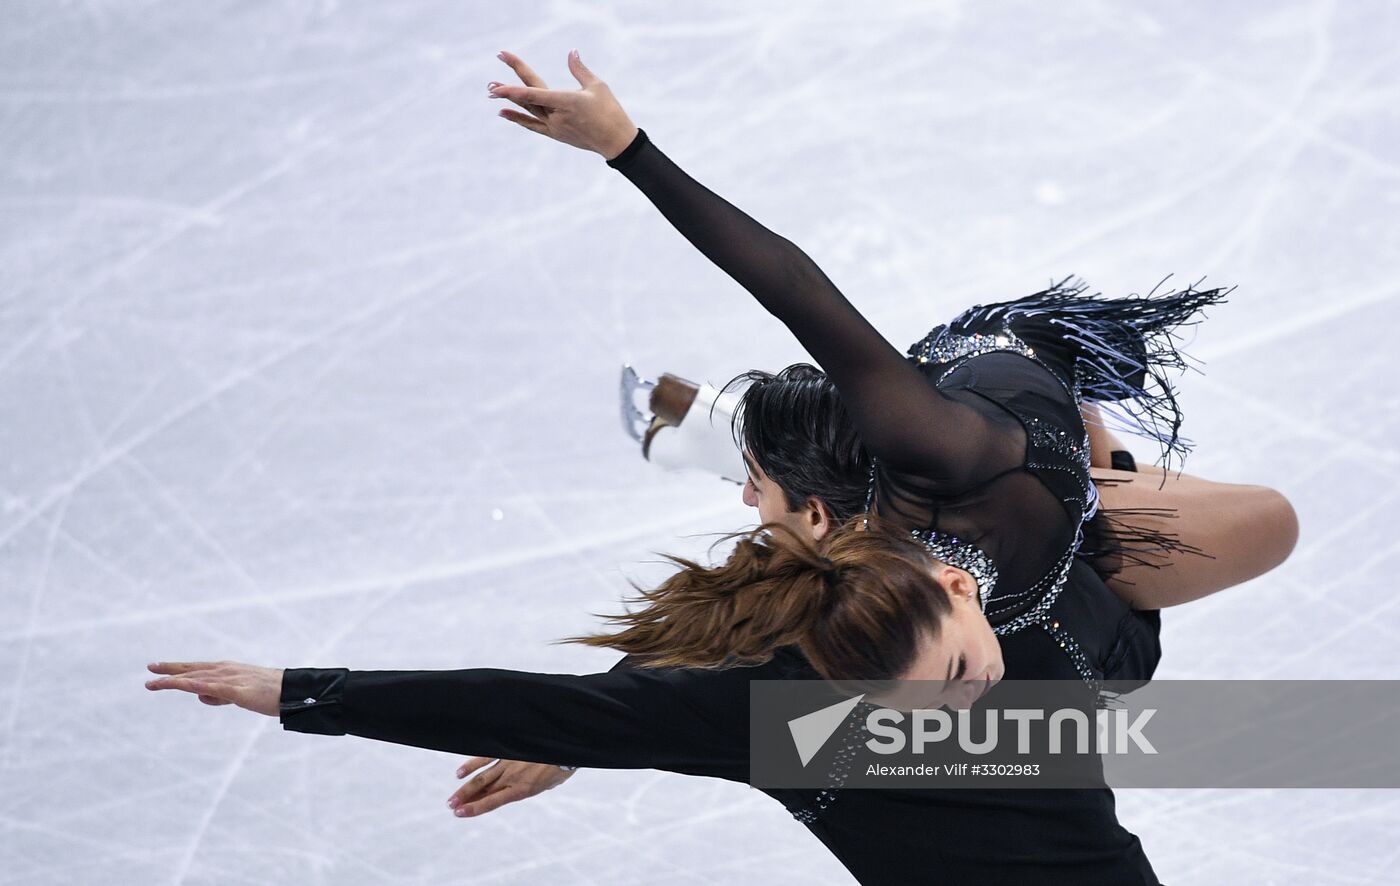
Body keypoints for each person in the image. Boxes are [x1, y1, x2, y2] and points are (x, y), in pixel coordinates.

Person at [145, 50, 1299, 884]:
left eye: (940, 690)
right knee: (1074, 657)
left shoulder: (956, 460)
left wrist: (627, 150)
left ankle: (714, 419)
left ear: (946, 589)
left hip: (1009, 391)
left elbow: (798, 290)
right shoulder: (837, 652)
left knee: (1254, 525)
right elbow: (633, 694)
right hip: (978, 579)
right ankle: (722, 429)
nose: (947, 716)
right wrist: (536, 733)